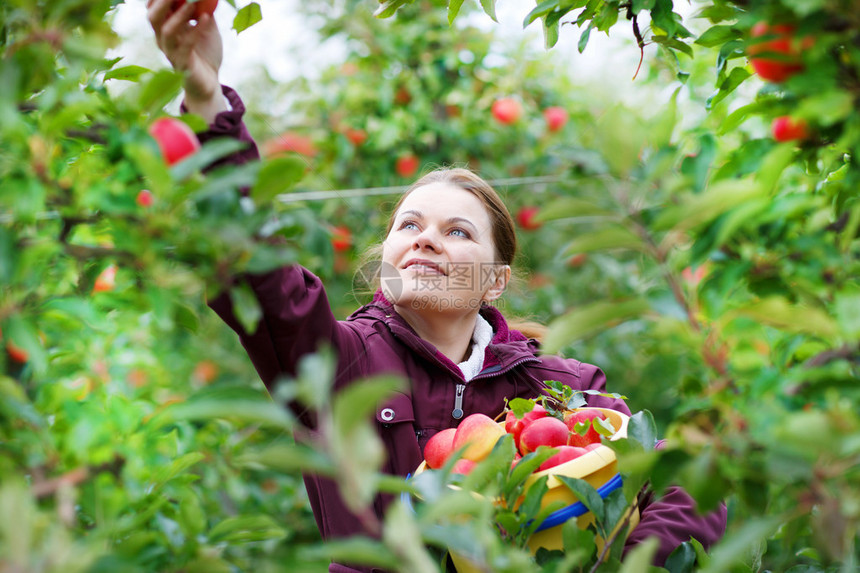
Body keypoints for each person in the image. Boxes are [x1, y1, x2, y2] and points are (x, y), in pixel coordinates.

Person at [146, 2, 728, 571]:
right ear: (385, 261)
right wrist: (207, 100)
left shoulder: (561, 388)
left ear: (495, 282)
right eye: (409, 226)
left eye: (456, 231)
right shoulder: (340, 364)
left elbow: (692, 485)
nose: (425, 240)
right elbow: (257, 269)